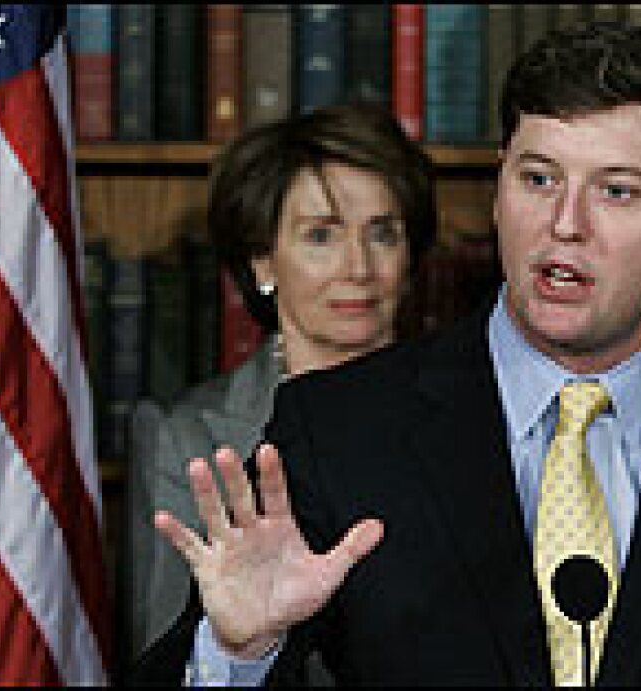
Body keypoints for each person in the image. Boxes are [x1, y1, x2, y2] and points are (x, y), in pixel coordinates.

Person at [143, 22, 641, 686]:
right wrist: (238, 652)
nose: (566, 223)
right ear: (499, 188)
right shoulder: (339, 429)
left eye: (617, 191)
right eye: (539, 179)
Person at [120, 103, 436, 680]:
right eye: (321, 236)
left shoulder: (469, 413)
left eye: (383, 234)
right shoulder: (185, 436)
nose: (359, 267)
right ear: (263, 257)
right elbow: (168, 665)